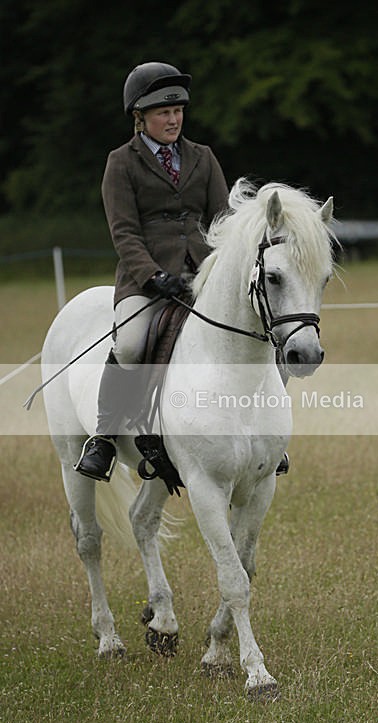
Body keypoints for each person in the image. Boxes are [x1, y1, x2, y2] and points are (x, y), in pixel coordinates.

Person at [75, 61, 229, 481]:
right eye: (164, 112)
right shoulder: (120, 163)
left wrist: (224, 267)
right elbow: (123, 233)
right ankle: (104, 438)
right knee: (128, 344)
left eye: (178, 110)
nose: (174, 119)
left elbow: (221, 220)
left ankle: (263, 435)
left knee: (251, 328)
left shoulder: (204, 157)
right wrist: (152, 276)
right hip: (146, 279)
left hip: (203, 274)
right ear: (140, 117)